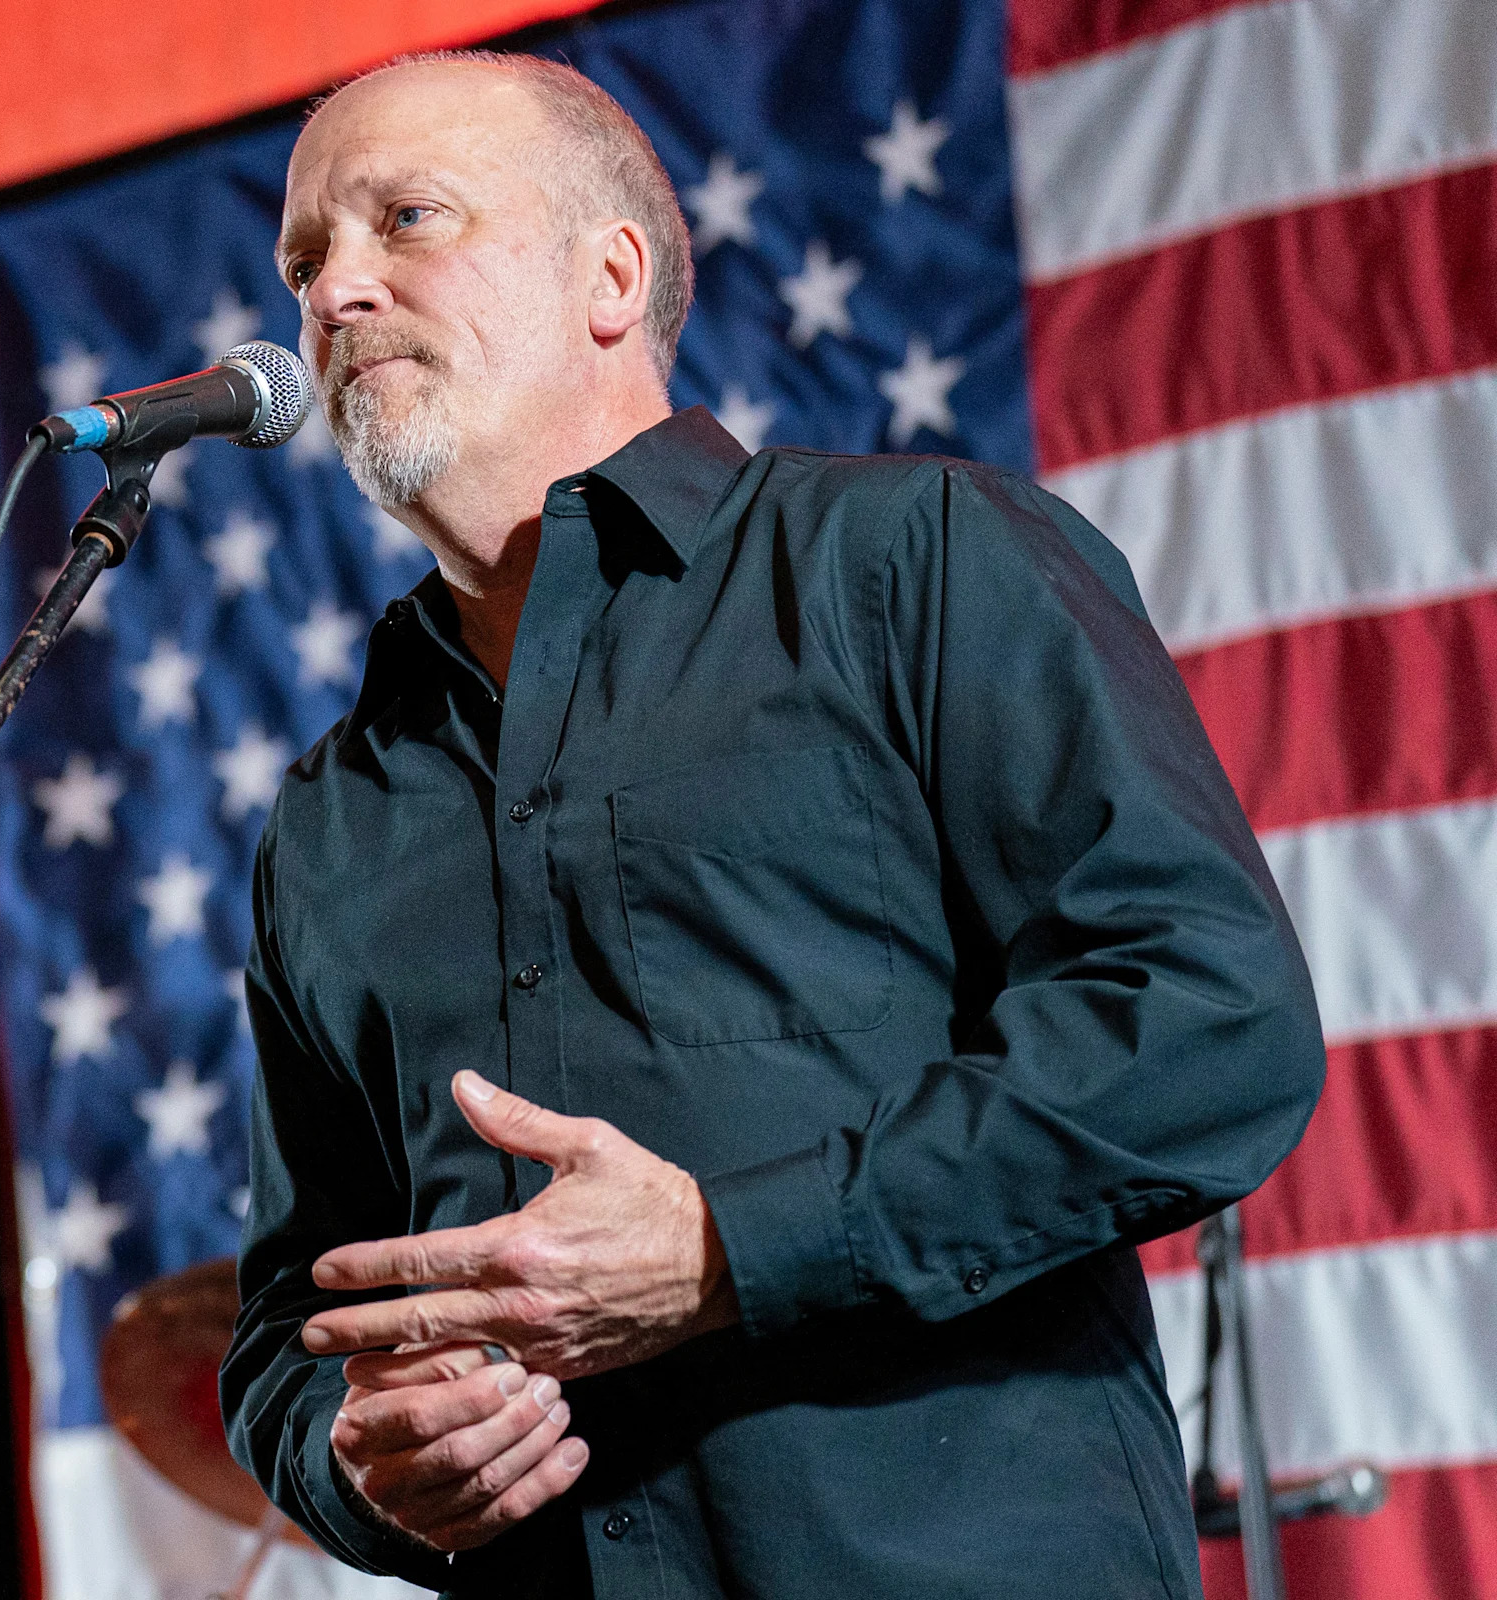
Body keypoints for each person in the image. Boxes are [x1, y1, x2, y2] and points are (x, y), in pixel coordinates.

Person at [220, 51, 1324, 1599]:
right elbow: (291, 1317)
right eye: (303, 263)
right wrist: (358, 1463)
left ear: (611, 278)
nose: (335, 291)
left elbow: (1211, 1022)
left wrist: (730, 1248)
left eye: (407, 220)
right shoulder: (334, 814)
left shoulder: (917, 562)